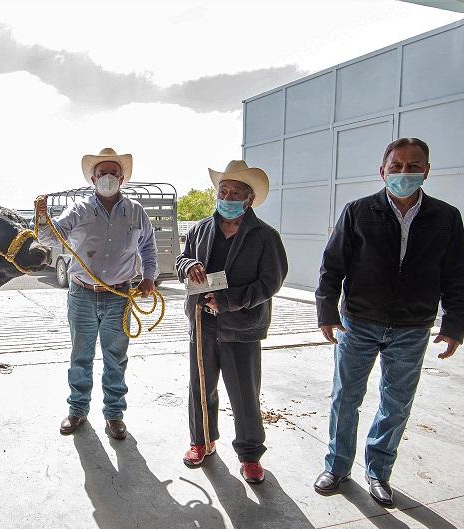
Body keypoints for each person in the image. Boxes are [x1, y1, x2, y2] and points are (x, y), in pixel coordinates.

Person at [313, 137, 464, 506]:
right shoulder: (358, 212)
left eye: (413, 166)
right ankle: (337, 467)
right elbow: (332, 266)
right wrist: (327, 312)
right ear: (382, 170)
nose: (404, 172)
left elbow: (456, 274)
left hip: (413, 327)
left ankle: (379, 472)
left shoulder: (446, 217)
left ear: (427, 171)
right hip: (359, 321)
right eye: (397, 166)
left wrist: (454, 325)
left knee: (396, 402)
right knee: (346, 397)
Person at [175, 160, 288, 484]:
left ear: (248, 199)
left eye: (234, 192)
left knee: (244, 396)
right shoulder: (199, 229)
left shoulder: (266, 236)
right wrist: (189, 265)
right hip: (202, 324)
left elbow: (271, 283)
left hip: (242, 329)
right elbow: (183, 259)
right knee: (200, 389)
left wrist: (229, 301)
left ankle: (250, 456)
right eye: (222, 191)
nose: (226, 197)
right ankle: (202, 441)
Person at [36, 147, 158, 440]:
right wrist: (42, 218)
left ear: (122, 178)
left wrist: (149, 277)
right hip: (82, 294)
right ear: (92, 178)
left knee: (116, 357)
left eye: (112, 173)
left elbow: (148, 248)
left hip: (120, 295)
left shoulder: (135, 212)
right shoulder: (78, 210)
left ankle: (114, 415)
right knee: (81, 355)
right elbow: (48, 238)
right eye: (101, 173)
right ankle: (77, 410)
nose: (107, 178)